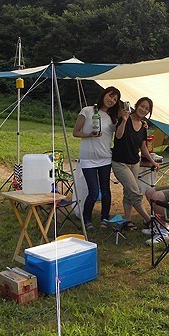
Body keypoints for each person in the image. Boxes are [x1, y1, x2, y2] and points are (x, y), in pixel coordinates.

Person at [72, 86, 121, 231]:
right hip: (88, 159)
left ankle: (104, 218)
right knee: (93, 192)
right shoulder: (87, 111)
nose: (111, 100)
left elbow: (121, 134)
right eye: (110, 96)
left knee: (106, 190)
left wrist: (140, 123)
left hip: (105, 158)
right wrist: (89, 135)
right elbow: (75, 132)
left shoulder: (113, 118)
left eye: (115, 99)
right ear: (104, 94)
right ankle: (87, 220)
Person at [111, 97, 157, 231]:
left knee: (128, 192)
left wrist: (153, 161)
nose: (143, 109)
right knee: (135, 192)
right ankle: (149, 220)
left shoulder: (143, 127)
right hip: (120, 163)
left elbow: (143, 147)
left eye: (147, 109)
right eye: (142, 106)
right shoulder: (124, 118)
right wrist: (124, 120)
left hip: (134, 163)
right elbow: (118, 137)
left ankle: (127, 220)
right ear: (136, 106)